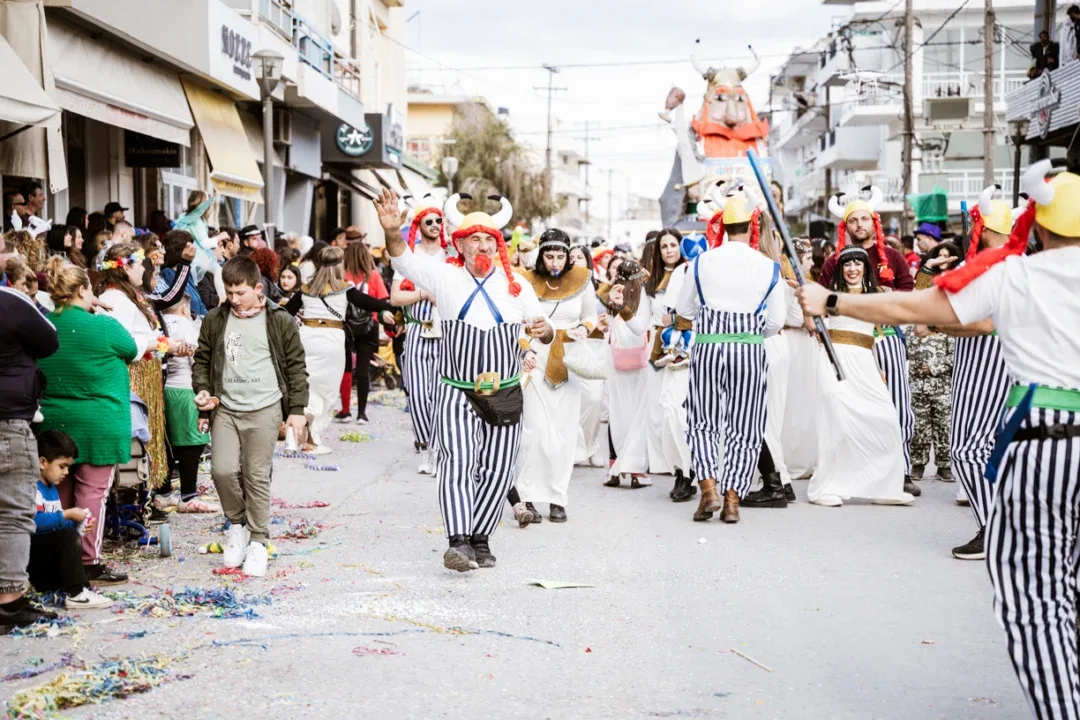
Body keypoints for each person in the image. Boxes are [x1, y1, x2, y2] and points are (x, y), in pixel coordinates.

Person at [796, 159, 1080, 720]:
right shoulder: (1012, 279)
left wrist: (830, 301)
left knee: (1037, 596)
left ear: (1039, 225)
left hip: (1045, 444)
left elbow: (913, 305)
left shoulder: (1015, 275)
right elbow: (952, 316)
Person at [378, 188, 553, 572]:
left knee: (499, 468)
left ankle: (480, 537)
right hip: (457, 391)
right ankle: (457, 542)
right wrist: (393, 230)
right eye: (474, 238)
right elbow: (402, 260)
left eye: (489, 239)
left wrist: (544, 329)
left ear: (498, 246)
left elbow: (544, 328)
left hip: (505, 391)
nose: (482, 245)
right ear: (460, 243)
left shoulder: (517, 286)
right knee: (457, 461)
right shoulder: (443, 275)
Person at [193, 255, 309, 577]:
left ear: (258, 288)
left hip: (265, 406)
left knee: (256, 475)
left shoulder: (279, 319)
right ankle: (238, 524)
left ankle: (258, 541)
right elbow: (202, 360)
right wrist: (202, 390)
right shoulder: (216, 319)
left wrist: (296, 410)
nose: (234, 299)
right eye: (229, 293)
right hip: (226, 407)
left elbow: (296, 366)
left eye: (240, 292)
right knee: (222, 470)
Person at [675, 191, 785, 524]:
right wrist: (749, 334)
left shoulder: (701, 261)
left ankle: (708, 487)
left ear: (721, 225)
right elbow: (776, 321)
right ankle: (732, 499)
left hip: (708, 346)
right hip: (749, 348)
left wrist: (712, 322)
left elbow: (683, 310)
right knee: (746, 424)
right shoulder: (769, 266)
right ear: (752, 227)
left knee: (701, 420)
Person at [36, 256, 140, 586]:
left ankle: (57, 562)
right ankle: (87, 562)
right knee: (92, 494)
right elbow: (133, 348)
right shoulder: (104, 326)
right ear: (83, 290)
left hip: (53, 424)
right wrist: (98, 309)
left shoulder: (43, 325)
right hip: (99, 423)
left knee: (56, 494)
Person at [823, 188, 919, 496]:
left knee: (896, 405)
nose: (859, 225)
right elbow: (823, 300)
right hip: (847, 345)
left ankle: (900, 469)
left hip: (887, 338)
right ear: (846, 226)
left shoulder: (892, 257)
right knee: (847, 408)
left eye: (865, 219)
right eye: (854, 220)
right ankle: (854, 470)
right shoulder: (835, 261)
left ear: (873, 221)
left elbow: (909, 294)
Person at [938, 188, 1015, 560]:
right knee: (991, 450)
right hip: (994, 363)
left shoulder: (993, 265)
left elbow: (983, 324)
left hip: (987, 363)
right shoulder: (1013, 262)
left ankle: (995, 530)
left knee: (967, 451)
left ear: (981, 227)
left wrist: (942, 324)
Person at [806, 246, 913, 507]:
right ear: (840, 269)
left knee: (886, 420)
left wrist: (877, 369)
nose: (852, 268)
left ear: (866, 267)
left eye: (858, 263)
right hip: (834, 362)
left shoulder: (876, 296)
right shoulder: (829, 296)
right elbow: (812, 326)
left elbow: (873, 338)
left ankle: (885, 487)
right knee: (837, 424)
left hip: (865, 363)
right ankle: (826, 488)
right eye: (847, 264)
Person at [516, 229, 598, 523]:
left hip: (568, 359)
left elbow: (590, 316)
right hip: (535, 358)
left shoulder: (582, 278)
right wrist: (525, 349)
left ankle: (556, 497)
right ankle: (526, 496)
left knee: (563, 433)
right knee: (534, 429)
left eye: (560, 255)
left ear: (568, 255)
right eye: (549, 255)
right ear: (540, 255)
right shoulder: (525, 281)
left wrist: (584, 329)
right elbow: (517, 322)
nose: (555, 261)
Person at [0, 237, 60, 628]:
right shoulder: (10, 302)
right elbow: (49, 338)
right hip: (8, 419)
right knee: (13, 512)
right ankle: (9, 600)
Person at [283, 246, 393, 452]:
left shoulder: (306, 289)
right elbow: (371, 303)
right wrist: (391, 307)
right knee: (328, 390)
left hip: (306, 338)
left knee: (306, 385)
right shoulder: (345, 289)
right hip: (332, 341)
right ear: (339, 265)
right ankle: (311, 439)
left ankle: (294, 434)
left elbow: (286, 312)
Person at [96, 243, 178, 489]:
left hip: (144, 372)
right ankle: (137, 492)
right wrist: (160, 344)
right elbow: (121, 343)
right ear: (125, 267)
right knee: (138, 436)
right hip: (133, 376)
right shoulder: (114, 299)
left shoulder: (126, 295)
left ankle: (147, 491)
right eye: (140, 263)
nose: (144, 268)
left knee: (147, 434)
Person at [389, 195, 449, 473]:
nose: (435, 225)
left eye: (439, 220)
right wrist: (424, 293)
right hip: (416, 330)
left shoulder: (452, 259)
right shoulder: (409, 258)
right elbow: (395, 297)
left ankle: (437, 451)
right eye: (430, 221)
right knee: (417, 393)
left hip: (448, 334)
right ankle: (425, 446)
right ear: (419, 224)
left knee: (442, 394)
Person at [152, 293, 219, 514]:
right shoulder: (184, 323)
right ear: (184, 308)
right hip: (185, 389)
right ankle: (188, 496)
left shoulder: (160, 323)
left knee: (168, 444)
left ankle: (162, 493)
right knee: (192, 443)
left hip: (165, 389)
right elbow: (197, 362)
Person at [30, 430, 112, 609]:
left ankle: (80, 588)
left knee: (68, 536)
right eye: (62, 466)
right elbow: (34, 523)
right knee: (66, 537)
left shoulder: (51, 488)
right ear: (43, 462)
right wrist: (67, 515)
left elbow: (57, 528)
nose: (66, 472)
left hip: (47, 568)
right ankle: (78, 594)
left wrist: (77, 525)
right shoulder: (32, 488)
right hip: (31, 559)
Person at [642, 228, 696, 502]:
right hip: (660, 353)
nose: (669, 250)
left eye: (673, 244)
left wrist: (676, 322)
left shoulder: (693, 272)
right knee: (664, 415)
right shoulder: (652, 282)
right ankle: (679, 470)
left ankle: (691, 473)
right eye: (664, 246)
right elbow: (644, 319)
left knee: (680, 414)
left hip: (690, 353)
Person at [602, 256, 653, 489]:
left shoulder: (629, 296)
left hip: (624, 362)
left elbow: (637, 327)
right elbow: (639, 327)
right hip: (627, 363)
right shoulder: (640, 296)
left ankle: (621, 468)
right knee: (628, 416)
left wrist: (619, 307)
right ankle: (632, 469)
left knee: (622, 415)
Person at [780, 238, 820, 480]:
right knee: (799, 400)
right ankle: (796, 458)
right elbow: (809, 322)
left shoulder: (793, 284)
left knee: (799, 401)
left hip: (798, 343)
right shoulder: (794, 287)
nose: (813, 263)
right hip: (798, 344)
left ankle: (798, 456)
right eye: (808, 259)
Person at [341, 238, 392, 424]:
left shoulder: (343, 276)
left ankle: (345, 410)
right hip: (368, 327)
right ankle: (361, 413)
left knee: (345, 369)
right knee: (363, 369)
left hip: (346, 328)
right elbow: (383, 302)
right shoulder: (373, 276)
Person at [158, 229, 208, 317]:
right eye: (189, 247)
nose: (193, 250)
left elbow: (200, 303)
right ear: (178, 250)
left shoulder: (187, 272)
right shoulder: (167, 273)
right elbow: (177, 299)